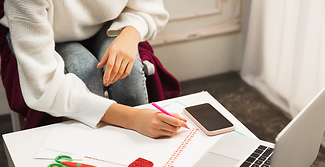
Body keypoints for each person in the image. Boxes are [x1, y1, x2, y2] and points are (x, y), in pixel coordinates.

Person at [0, 0, 187, 138]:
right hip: (49, 34)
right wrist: (131, 118)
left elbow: (149, 7)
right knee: (83, 72)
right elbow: (45, 84)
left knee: (128, 74)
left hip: (102, 25)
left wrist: (131, 33)